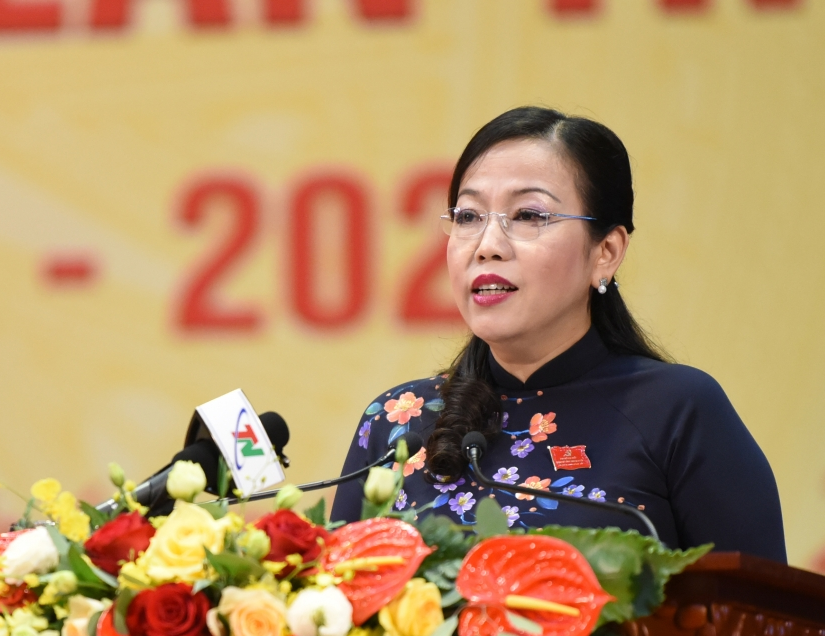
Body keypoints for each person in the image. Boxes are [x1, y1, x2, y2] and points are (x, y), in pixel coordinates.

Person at [331, 107, 787, 562]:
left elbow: (761, 606)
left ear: (606, 252)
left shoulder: (675, 412)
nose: (488, 245)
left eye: (528, 215)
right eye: (468, 216)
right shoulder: (398, 423)